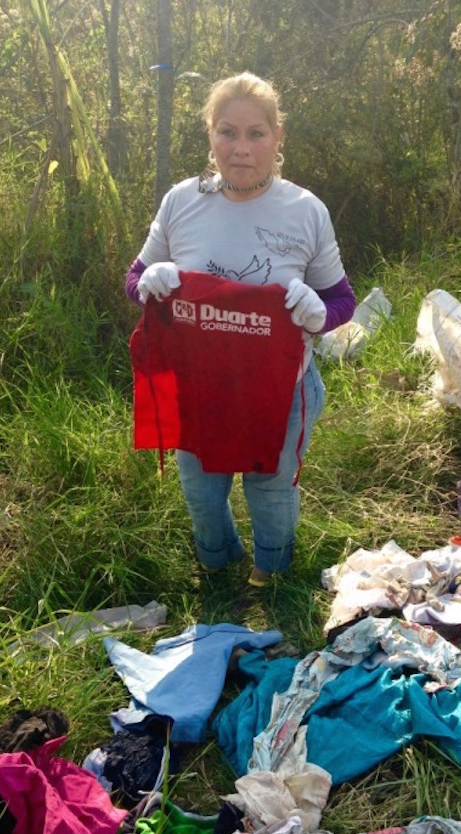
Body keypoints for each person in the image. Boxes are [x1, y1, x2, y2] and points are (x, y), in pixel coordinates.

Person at [125, 71, 356, 587]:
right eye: (228, 132)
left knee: (270, 489)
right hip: (197, 390)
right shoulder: (181, 202)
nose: (241, 148)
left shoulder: (305, 211)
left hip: (280, 391)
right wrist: (150, 282)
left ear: (277, 138)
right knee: (201, 491)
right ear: (210, 135)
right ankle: (218, 565)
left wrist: (319, 313)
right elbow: (135, 278)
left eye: (256, 133)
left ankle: (270, 576)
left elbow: (342, 301)